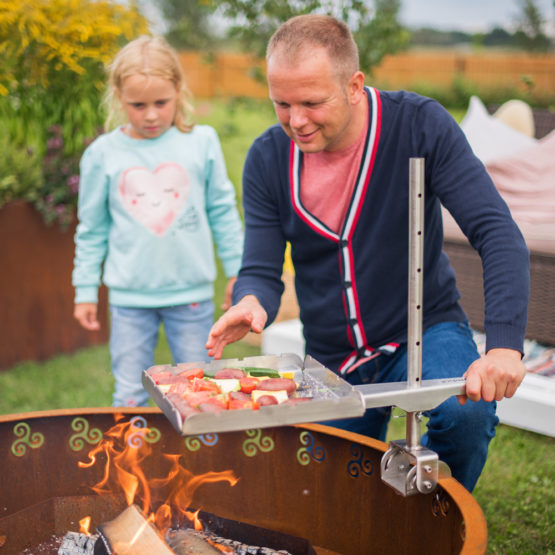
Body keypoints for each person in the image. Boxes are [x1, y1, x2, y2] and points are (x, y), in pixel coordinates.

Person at [206, 14, 530, 492]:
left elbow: (496, 231)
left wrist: (504, 345)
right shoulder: (266, 158)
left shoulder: (420, 126)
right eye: (282, 103)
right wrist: (252, 301)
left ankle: (434, 526)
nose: (296, 121)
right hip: (333, 354)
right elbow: (261, 268)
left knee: (467, 417)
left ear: (354, 85)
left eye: (312, 102)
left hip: (422, 328)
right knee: (331, 499)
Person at [73, 36, 243, 408]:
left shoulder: (202, 142)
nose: (150, 115)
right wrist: (85, 289)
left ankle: (206, 464)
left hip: (192, 299)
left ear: (179, 90)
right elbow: (92, 228)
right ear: (118, 97)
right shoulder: (102, 154)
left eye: (160, 103)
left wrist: (237, 273)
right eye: (138, 105)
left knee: (201, 393)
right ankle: (128, 463)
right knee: (131, 395)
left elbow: (222, 211)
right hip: (129, 301)